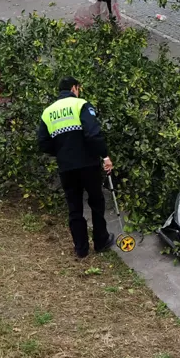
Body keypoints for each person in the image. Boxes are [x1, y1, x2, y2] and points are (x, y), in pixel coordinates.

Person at [37, 77, 114, 258]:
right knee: (96, 201)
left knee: (74, 206)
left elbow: (43, 143)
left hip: (66, 167)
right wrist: (105, 156)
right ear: (74, 88)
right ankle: (100, 241)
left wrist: (62, 152)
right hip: (88, 163)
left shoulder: (48, 112)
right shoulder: (81, 105)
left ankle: (81, 248)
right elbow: (93, 133)